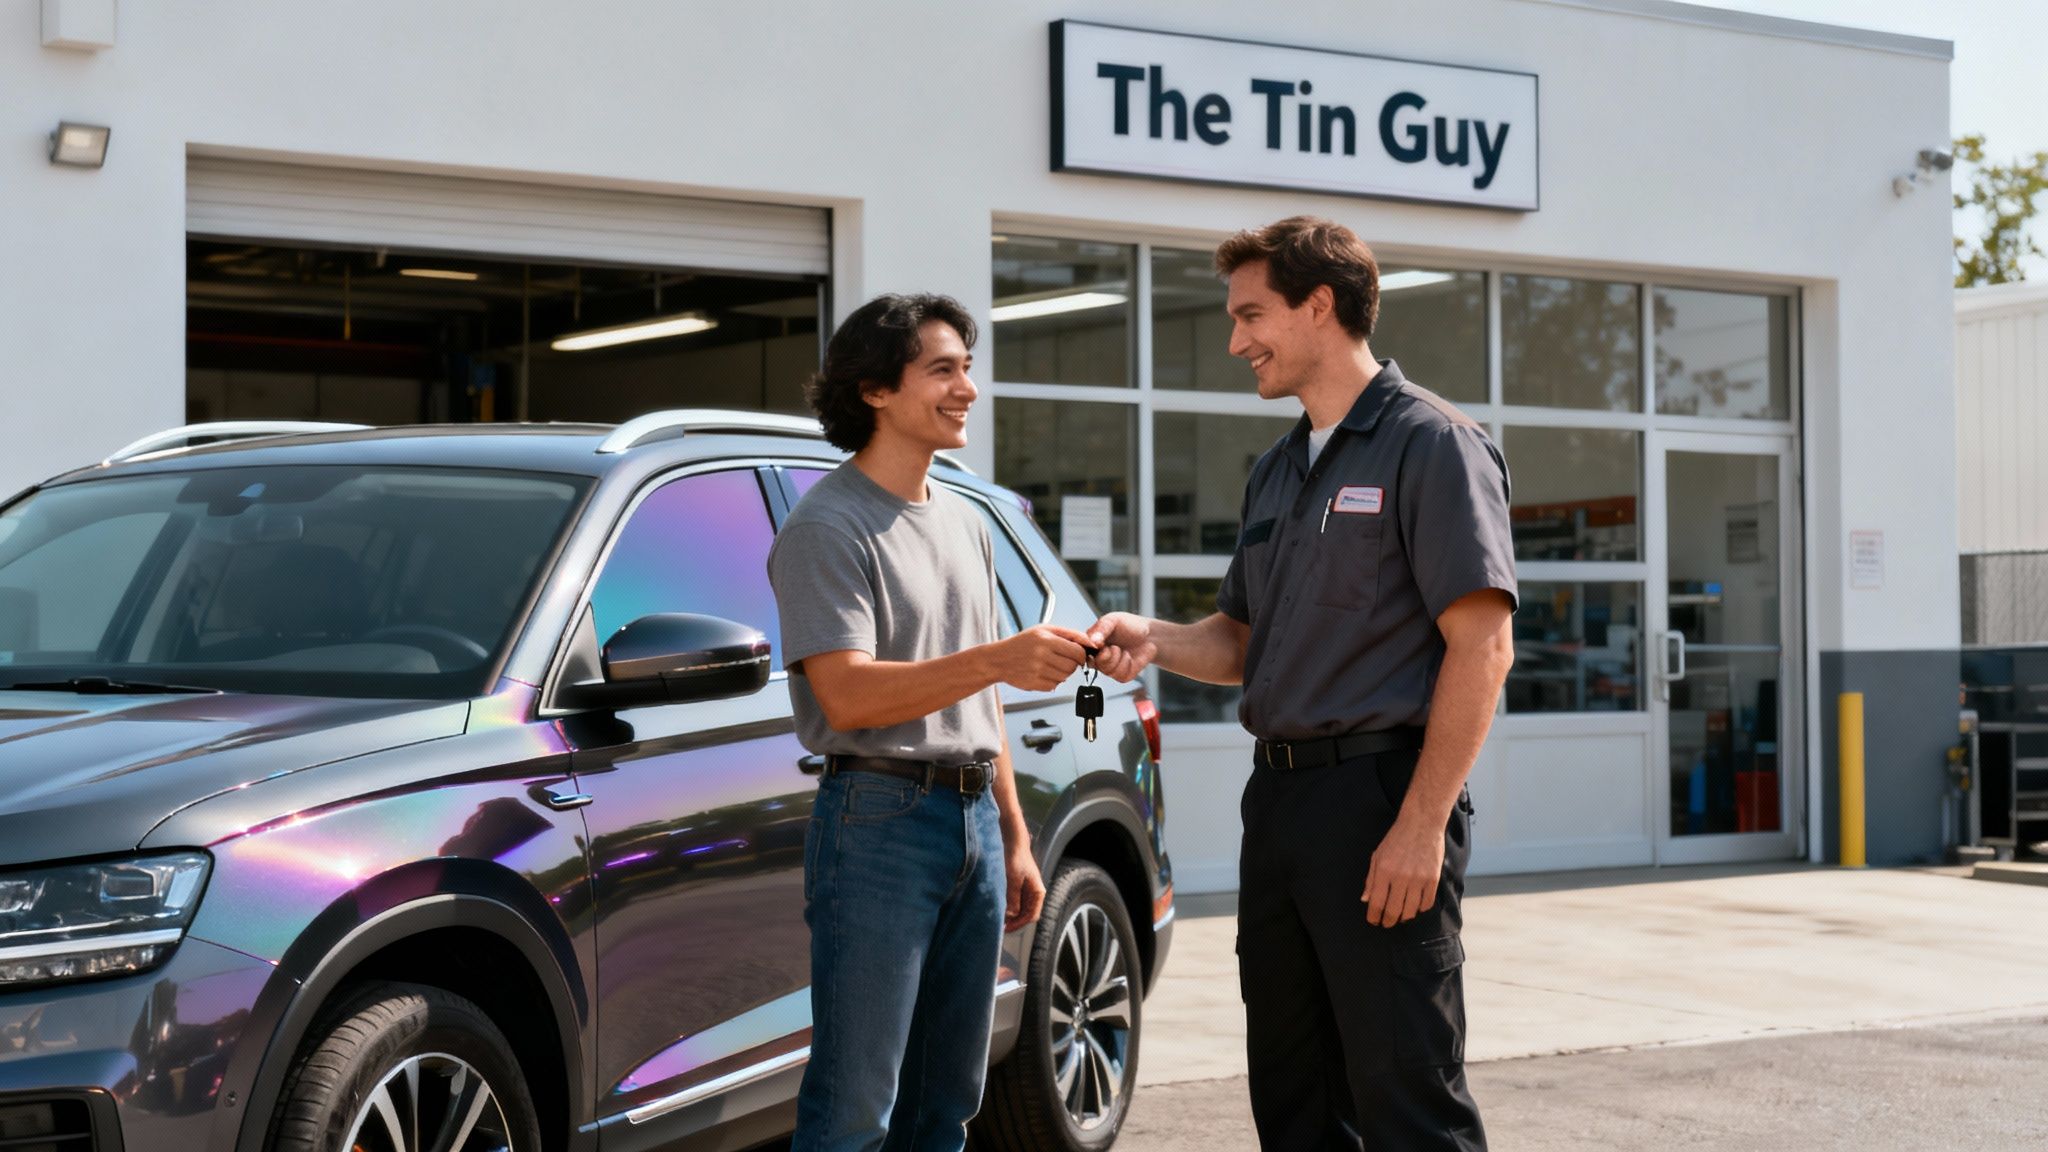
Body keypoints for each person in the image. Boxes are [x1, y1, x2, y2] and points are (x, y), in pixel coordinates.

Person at [1088, 217, 1517, 1150]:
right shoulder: (1279, 470)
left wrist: (1421, 824)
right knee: (1295, 1096)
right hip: (1278, 806)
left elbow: (1482, 648)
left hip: (1380, 801)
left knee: (1407, 1094)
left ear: (1320, 306)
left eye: (1253, 315)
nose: (1237, 340)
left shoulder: (1432, 445)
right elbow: (1240, 643)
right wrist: (1150, 638)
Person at [768, 292, 1092, 1152]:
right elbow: (850, 695)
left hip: (973, 823)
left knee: (945, 1107)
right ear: (875, 390)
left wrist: (1013, 837)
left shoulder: (964, 520)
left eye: (967, 368)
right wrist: (997, 658)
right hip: (877, 827)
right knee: (854, 1112)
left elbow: (979, 706)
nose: (967, 389)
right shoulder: (826, 527)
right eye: (942, 369)